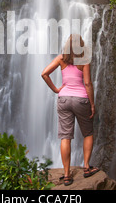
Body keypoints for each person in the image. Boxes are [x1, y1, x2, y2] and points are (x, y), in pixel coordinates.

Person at [41, 34, 99, 186]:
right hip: (81, 99)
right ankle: (86, 167)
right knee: (88, 133)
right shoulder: (84, 59)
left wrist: (56, 89)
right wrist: (92, 104)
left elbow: (44, 73)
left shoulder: (61, 58)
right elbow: (87, 83)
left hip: (64, 99)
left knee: (65, 137)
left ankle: (66, 175)